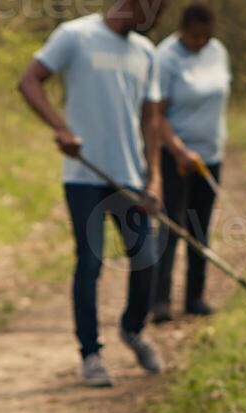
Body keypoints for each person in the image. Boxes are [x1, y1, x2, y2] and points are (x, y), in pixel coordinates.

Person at [19, 1, 168, 388]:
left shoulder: (146, 52)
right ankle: (91, 354)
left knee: (147, 260)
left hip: (130, 176)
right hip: (84, 175)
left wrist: (155, 179)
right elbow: (29, 81)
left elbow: (152, 118)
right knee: (90, 262)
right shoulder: (75, 36)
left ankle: (133, 330)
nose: (156, 17)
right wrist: (61, 129)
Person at [152, 3, 231, 322]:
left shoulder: (218, 51)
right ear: (182, 30)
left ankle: (195, 297)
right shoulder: (166, 56)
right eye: (193, 36)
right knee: (172, 226)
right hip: (177, 158)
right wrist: (179, 150)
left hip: (210, 156)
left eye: (204, 36)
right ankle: (159, 301)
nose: (199, 42)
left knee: (200, 227)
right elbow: (155, 116)